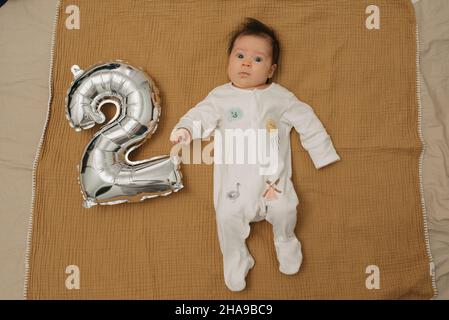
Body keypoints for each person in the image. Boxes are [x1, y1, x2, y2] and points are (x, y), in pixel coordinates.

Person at [170, 18, 341, 291]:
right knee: (226, 217)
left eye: (257, 59)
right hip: (234, 186)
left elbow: (307, 119)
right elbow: (200, 115)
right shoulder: (220, 97)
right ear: (229, 61)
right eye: (239, 56)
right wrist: (186, 130)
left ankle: (285, 239)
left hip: (273, 182)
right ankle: (236, 256)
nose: (246, 63)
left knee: (286, 209)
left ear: (271, 70)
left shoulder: (280, 98)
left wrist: (322, 152)